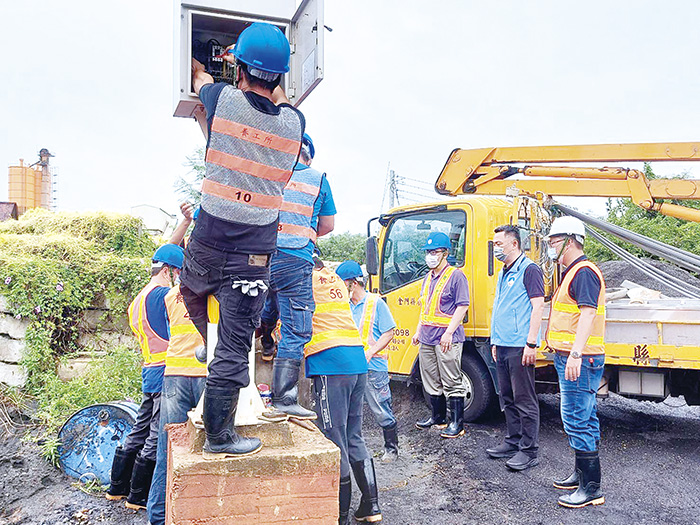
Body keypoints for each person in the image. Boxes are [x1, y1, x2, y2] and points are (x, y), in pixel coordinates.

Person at [181, 22, 305, 459]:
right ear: (281, 77)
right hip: (250, 261)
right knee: (234, 346)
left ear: (241, 68)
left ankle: (199, 337)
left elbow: (200, 79)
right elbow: (285, 103)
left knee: (192, 291)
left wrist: (198, 59)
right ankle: (220, 436)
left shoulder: (223, 100)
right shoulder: (293, 125)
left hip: (205, 246)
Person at [258, 132, 336, 420]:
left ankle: (264, 337)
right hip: (294, 258)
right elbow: (327, 224)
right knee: (297, 328)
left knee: (266, 303)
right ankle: (285, 398)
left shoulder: (266, 172)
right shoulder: (316, 179)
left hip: (258, 257)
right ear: (309, 155)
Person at [105, 243, 184, 510]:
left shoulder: (139, 298)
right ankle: (138, 496)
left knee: (139, 428)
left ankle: (117, 488)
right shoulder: (164, 295)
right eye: (177, 271)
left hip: (149, 369)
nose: (179, 277)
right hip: (165, 371)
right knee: (155, 432)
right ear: (167, 270)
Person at [306, 257, 381, 524]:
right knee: (353, 434)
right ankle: (371, 506)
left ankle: (339, 517)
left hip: (330, 364)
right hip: (356, 362)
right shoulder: (335, 279)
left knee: (334, 436)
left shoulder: (304, 279)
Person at [147, 204, 207, 525]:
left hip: (173, 377)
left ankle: (158, 518)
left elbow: (170, 252)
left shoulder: (167, 297)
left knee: (167, 451)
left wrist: (187, 221)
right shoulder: (213, 293)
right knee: (204, 448)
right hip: (204, 378)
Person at [545, 216, 606, 508]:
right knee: (585, 417)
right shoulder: (572, 272)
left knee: (576, 419)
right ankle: (582, 474)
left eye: (553, 242)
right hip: (573, 358)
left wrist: (576, 353)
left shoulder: (583, 272)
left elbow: (588, 313)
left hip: (580, 360)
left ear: (569, 241)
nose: (550, 247)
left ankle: (591, 489)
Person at [486, 225, 545, 471]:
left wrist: (531, 342)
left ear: (514, 244)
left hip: (520, 345)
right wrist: (494, 340)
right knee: (507, 397)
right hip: (503, 344)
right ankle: (512, 441)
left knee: (524, 399)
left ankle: (529, 450)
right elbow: (501, 307)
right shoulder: (503, 271)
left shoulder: (529, 269)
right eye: (494, 244)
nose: (496, 248)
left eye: (499, 243)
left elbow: (538, 307)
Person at [336, 260, 399, 462]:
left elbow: (389, 332)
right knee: (348, 411)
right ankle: (349, 448)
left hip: (373, 367)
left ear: (353, 283)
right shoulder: (343, 305)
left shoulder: (375, 303)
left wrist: (371, 351)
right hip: (349, 368)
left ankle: (392, 448)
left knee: (381, 407)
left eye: (341, 284)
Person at [412, 231, 470, 439]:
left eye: (435, 251)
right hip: (427, 336)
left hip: (447, 338)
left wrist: (448, 332)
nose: (430, 255)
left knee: (451, 378)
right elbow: (424, 308)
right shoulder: (428, 278)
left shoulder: (456, 275)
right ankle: (438, 417)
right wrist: (418, 331)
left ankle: (456, 423)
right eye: (428, 252)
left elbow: (462, 306)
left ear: (445, 253)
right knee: (430, 377)